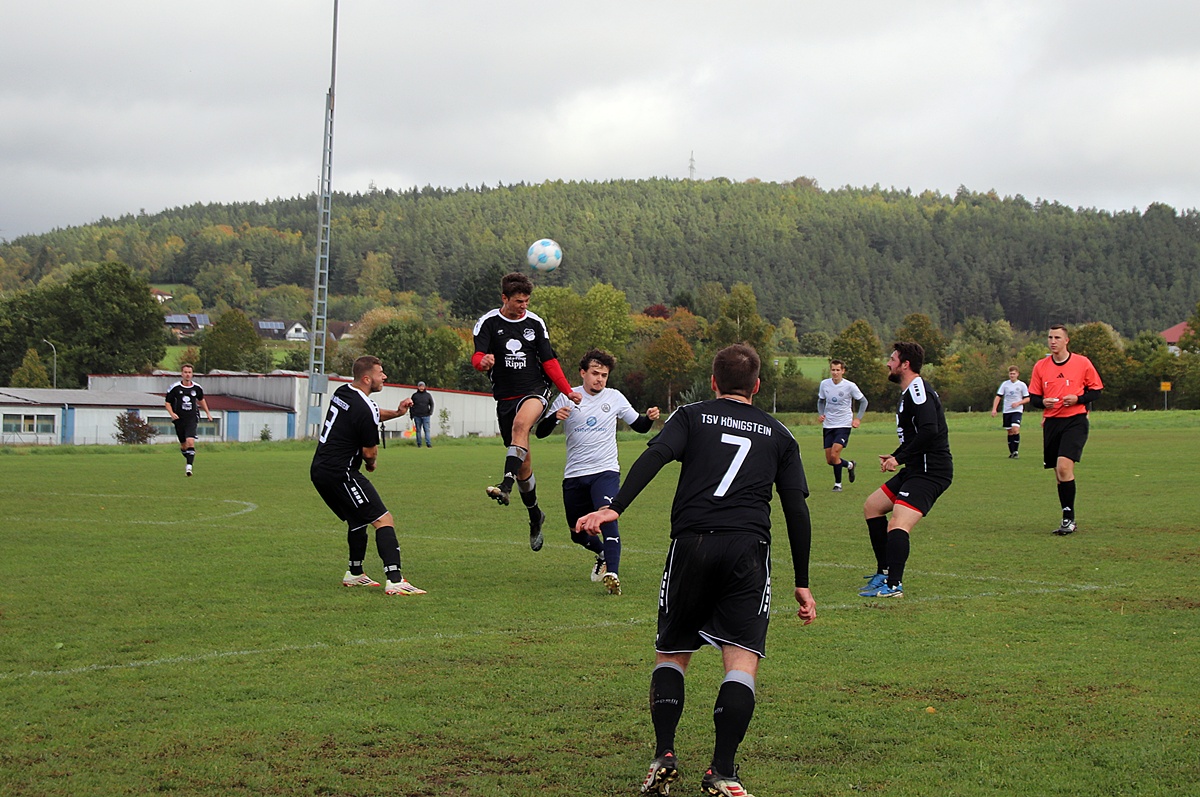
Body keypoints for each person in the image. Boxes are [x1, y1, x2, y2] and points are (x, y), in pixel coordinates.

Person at [576, 344, 816, 797]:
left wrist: (615, 507)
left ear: (713, 382)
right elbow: (796, 510)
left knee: (672, 652)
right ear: (757, 385)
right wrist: (801, 582)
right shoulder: (780, 433)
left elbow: (654, 456)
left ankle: (664, 754)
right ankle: (723, 772)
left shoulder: (691, 415)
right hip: (748, 550)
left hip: (691, 544)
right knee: (741, 662)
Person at [535, 348, 660, 595]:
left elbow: (640, 427)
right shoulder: (567, 396)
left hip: (605, 472)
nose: (600, 379)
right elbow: (540, 432)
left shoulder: (615, 398)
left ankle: (612, 573)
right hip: (574, 475)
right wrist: (554, 417)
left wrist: (649, 417)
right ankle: (602, 554)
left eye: (604, 375)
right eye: (595, 373)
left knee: (607, 516)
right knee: (577, 533)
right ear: (583, 373)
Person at [472, 271, 581, 551]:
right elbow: (477, 356)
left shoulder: (535, 323)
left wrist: (567, 389)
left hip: (535, 389)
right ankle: (535, 515)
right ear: (505, 298)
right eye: (519, 301)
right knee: (525, 467)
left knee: (522, 426)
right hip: (505, 397)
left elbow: (549, 360)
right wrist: (481, 362)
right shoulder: (488, 323)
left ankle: (504, 485)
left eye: (527, 301)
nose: (524, 306)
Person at [310, 355, 426, 596]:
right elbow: (369, 452)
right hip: (340, 472)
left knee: (357, 520)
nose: (384, 376)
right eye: (380, 373)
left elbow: (370, 412)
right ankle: (395, 580)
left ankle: (354, 573)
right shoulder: (363, 408)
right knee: (383, 519)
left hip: (320, 469)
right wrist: (371, 463)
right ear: (366, 378)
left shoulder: (344, 392)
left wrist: (396, 412)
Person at [859, 342, 953, 599]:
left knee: (898, 523)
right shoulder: (910, 391)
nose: (888, 363)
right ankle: (884, 571)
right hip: (915, 468)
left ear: (905, 364)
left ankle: (893, 586)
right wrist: (898, 456)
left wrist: (898, 458)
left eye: (892, 359)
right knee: (872, 507)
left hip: (930, 471)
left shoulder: (919, 389)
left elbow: (929, 430)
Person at [1027, 324, 1104, 535]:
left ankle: (1069, 519)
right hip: (1052, 423)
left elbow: (1096, 391)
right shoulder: (1041, 366)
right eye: (1050, 337)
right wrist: (1044, 402)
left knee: (1063, 467)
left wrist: (1078, 399)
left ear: (1066, 340)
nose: (1053, 341)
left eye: (1057, 338)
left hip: (1075, 421)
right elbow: (1033, 398)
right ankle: (1067, 516)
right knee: (1060, 474)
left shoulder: (1082, 363)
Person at [816, 359, 868, 491]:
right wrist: (821, 413)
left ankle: (838, 484)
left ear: (843, 371)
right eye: (833, 370)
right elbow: (821, 401)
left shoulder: (850, 386)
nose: (835, 372)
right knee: (830, 460)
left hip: (844, 424)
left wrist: (858, 419)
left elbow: (863, 402)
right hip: (828, 425)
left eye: (838, 370)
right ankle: (850, 465)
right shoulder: (824, 384)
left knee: (834, 455)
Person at [164, 363, 213, 477]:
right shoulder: (175, 388)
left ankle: (189, 468)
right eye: (185, 372)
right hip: (179, 419)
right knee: (184, 445)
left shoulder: (197, 388)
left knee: (190, 442)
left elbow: (201, 400)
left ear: (192, 374)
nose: (187, 374)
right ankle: (189, 457)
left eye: (189, 372)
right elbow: (167, 403)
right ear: (182, 374)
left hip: (192, 418)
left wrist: (208, 413)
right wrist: (172, 413)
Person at [990, 366, 1030, 458]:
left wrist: (1018, 403)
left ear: (1017, 374)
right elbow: (998, 396)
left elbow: (1027, 398)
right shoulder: (1005, 384)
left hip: (1017, 410)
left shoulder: (1021, 385)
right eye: (1010, 373)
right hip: (1007, 411)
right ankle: (1012, 452)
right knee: (1010, 432)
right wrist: (994, 409)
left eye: (1014, 373)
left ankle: (1016, 451)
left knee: (1015, 429)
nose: (1012, 375)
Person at [410, 381, 434, 448]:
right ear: (418, 387)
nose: (421, 388)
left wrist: (430, 412)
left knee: (426, 430)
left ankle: (428, 443)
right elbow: (411, 405)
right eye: (420, 386)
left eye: (422, 386)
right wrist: (412, 414)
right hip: (417, 416)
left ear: (424, 387)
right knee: (418, 430)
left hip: (426, 415)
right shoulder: (415, 396)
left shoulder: (428, 395)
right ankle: (419, 444)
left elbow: (431, 404)